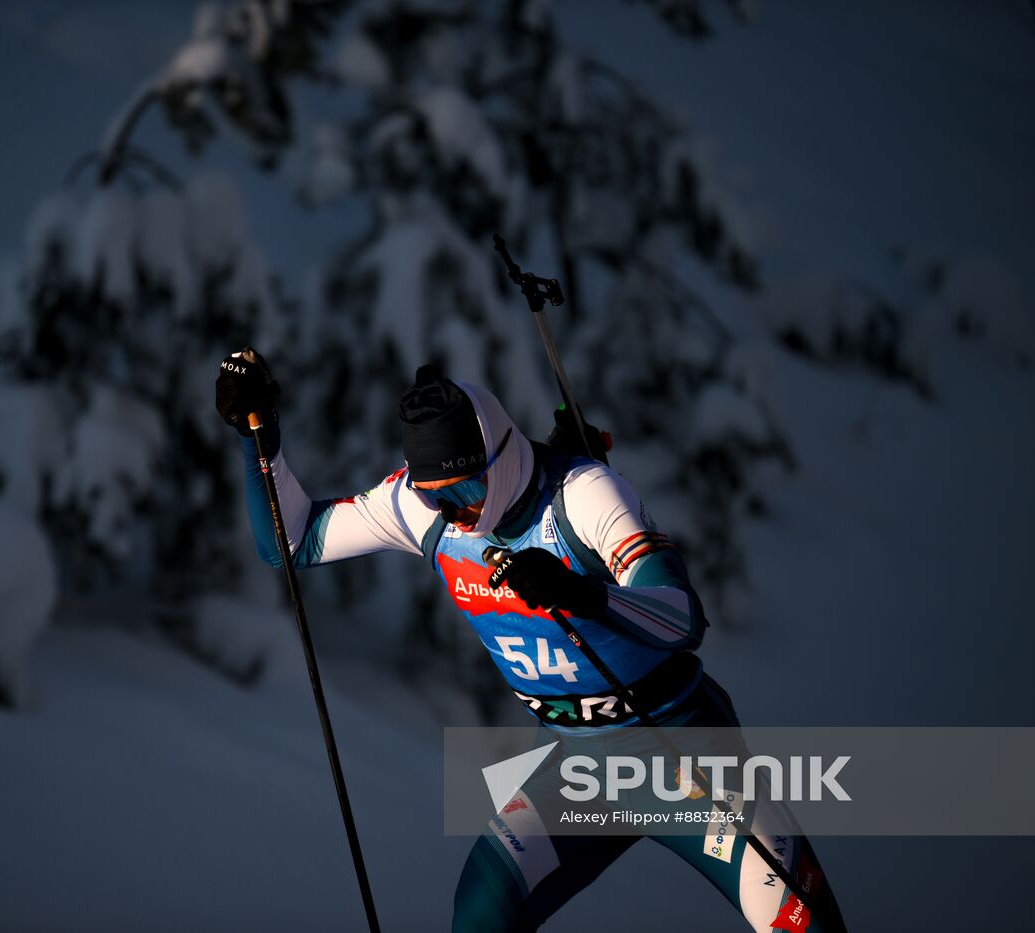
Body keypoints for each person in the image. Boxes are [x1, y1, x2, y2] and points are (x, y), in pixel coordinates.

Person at [216, 348, 845, 932]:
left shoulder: (582, 494)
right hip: (576, 766)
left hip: (680, 749)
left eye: (463, 493)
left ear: (500, 456)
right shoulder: (420, 507)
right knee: (481, 910)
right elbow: (289, 543)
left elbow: (682, 618)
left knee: (799, 921)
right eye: (432, 498)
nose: (450, 515)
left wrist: (581, 593)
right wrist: (260, 442)